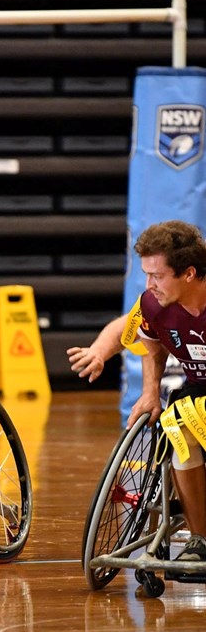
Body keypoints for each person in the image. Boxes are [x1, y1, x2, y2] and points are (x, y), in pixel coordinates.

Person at [110, 220, 206, 562]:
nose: (149, 285)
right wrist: (150, 392)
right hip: (199, 392)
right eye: (146, 275)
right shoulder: (154, 306)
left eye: (158, 276)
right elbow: (150, 347)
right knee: (178, 428)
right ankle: (199, 538)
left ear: (189, 273)